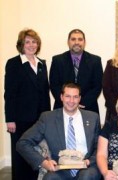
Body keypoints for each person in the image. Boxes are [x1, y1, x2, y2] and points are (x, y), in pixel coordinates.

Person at [16, 83, 101, 180]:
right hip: (60, 168)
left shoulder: (93, 117)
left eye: (75, 97)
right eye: (68, 96)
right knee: (49, 178)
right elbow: (22, 143)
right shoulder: (48, 118)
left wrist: (89, 161)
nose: (71, 101)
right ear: (61, 97)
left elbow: (99, 146)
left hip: (87, 167)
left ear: (80, 98)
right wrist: (43, 162)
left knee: (86, 177)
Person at [4, 29, 51, 180]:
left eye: (34, 42)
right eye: (28, 42)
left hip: (39, 119)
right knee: (20, 154)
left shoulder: (42, 64)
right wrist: (9, 119)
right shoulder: (13, 63)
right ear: (21, 45)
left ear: (38, 44)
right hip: (20, 119)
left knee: (36, 152)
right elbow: (9, 93)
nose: (31, 45)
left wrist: (47, 117)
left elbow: (45, 93)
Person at [50, 29, 103, 114]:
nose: (77, 42)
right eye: (73, 39)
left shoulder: (95, 61)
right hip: (62, 107)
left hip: (88, 108)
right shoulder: (57, 60)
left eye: (80, 39)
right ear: (68, 42)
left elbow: (97, 86)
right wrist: (67, 102)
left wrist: (80, 103)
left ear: (84, 42)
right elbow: (54, 85)